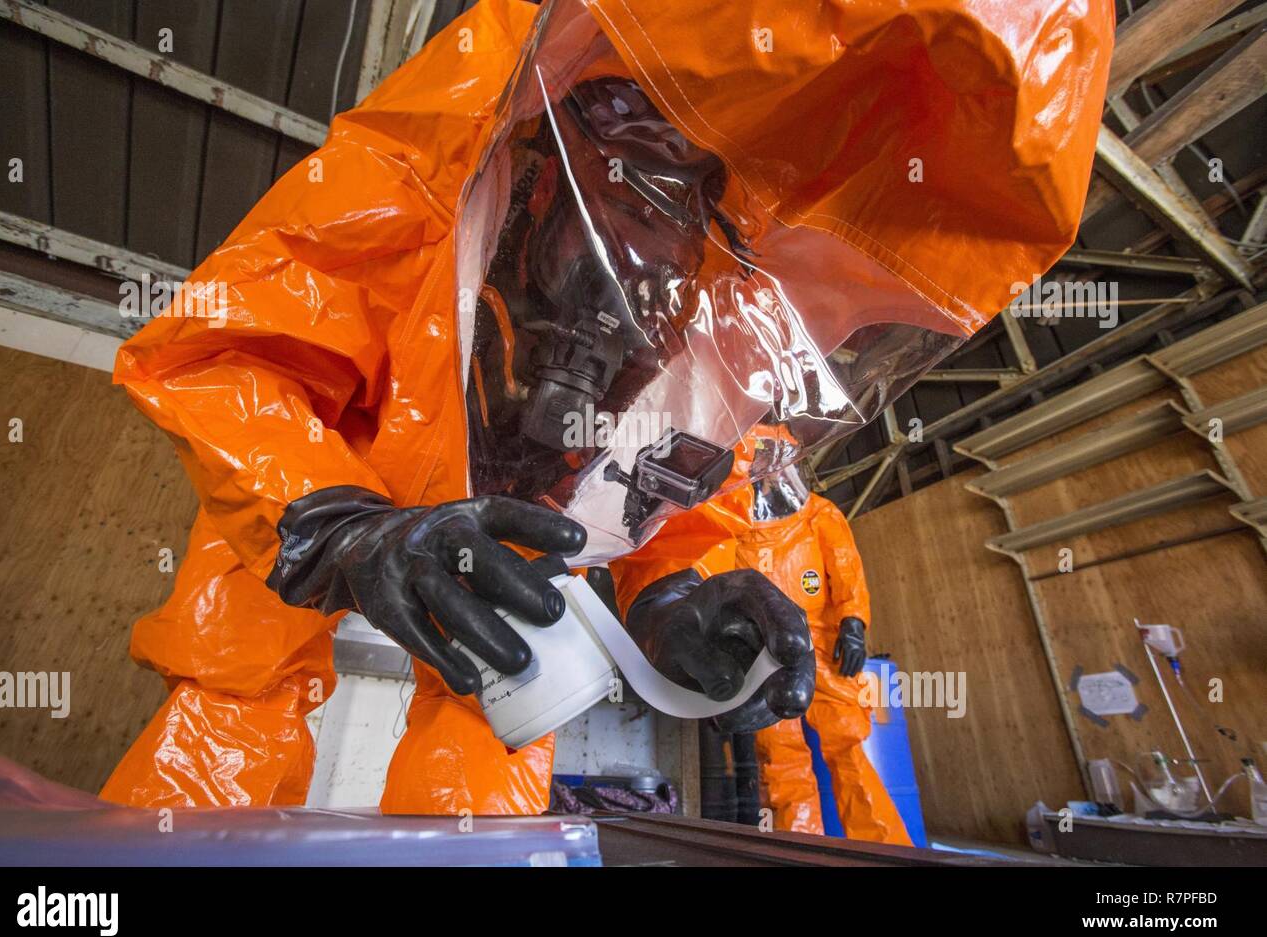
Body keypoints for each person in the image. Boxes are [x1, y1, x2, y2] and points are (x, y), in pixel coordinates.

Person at [100, 0, 1112, 813]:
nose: (658, 275)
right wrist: (337, 524)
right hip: (311, 481)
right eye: (640, 210)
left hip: (505, 558)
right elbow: (226, 354)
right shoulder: (432, 169)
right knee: (232, 687)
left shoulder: (727, 300)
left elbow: (655, 488)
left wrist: (668, 592)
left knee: (505, 712)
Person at [730, 428, 911, 843]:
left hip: (825, 646)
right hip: (766, 653)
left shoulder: (820, 516)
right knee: (780, 760)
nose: (770, 471)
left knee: (848, 749)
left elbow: (846, 572)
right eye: (760, 460)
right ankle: (799, 848)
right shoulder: (732, 528)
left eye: (777, 460)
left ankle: (883, 849)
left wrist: (852, 623)